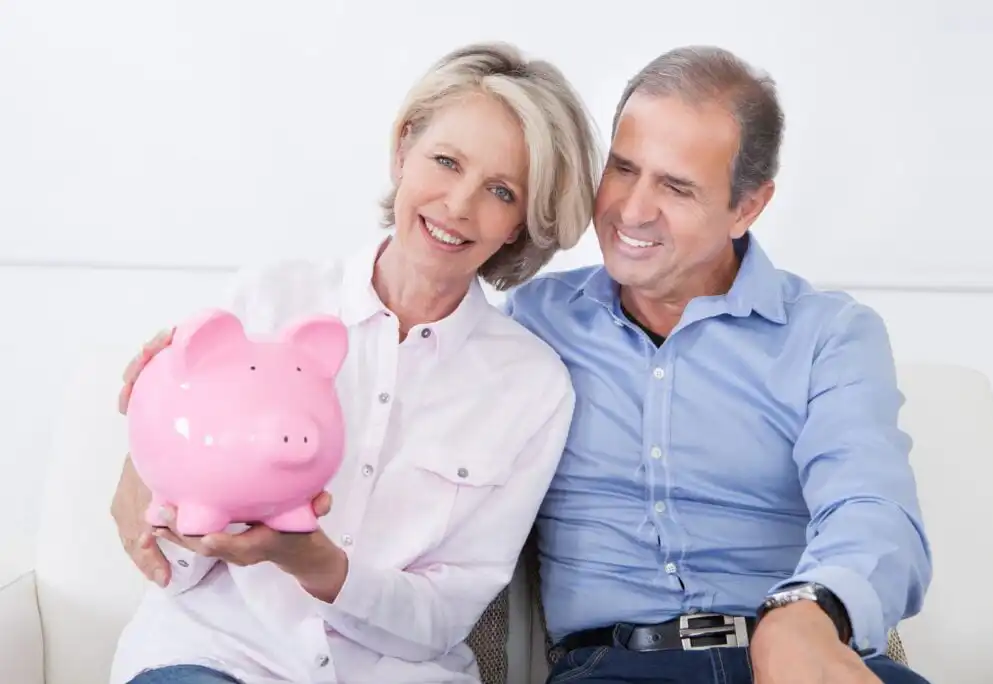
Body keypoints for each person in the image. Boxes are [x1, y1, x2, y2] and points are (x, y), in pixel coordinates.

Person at [107, 42, 601, 684]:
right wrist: (152, 467)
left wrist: (318, 565)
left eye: (500, 191)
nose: (457, 205)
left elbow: (444, 617)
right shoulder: (269, 300)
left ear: (520, 224)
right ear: (403, 150)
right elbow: (174, 541)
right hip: (215, 654)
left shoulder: (530, 388)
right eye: (445, 161)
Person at [504, 46, 933, 683]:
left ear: (747, 208)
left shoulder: (829, 335)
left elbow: (872, 508)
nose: (632, 210)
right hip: (613, 667)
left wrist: (808, 614)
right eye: (624, 169)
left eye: (676, 186)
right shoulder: (535, 323)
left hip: (792, 655)